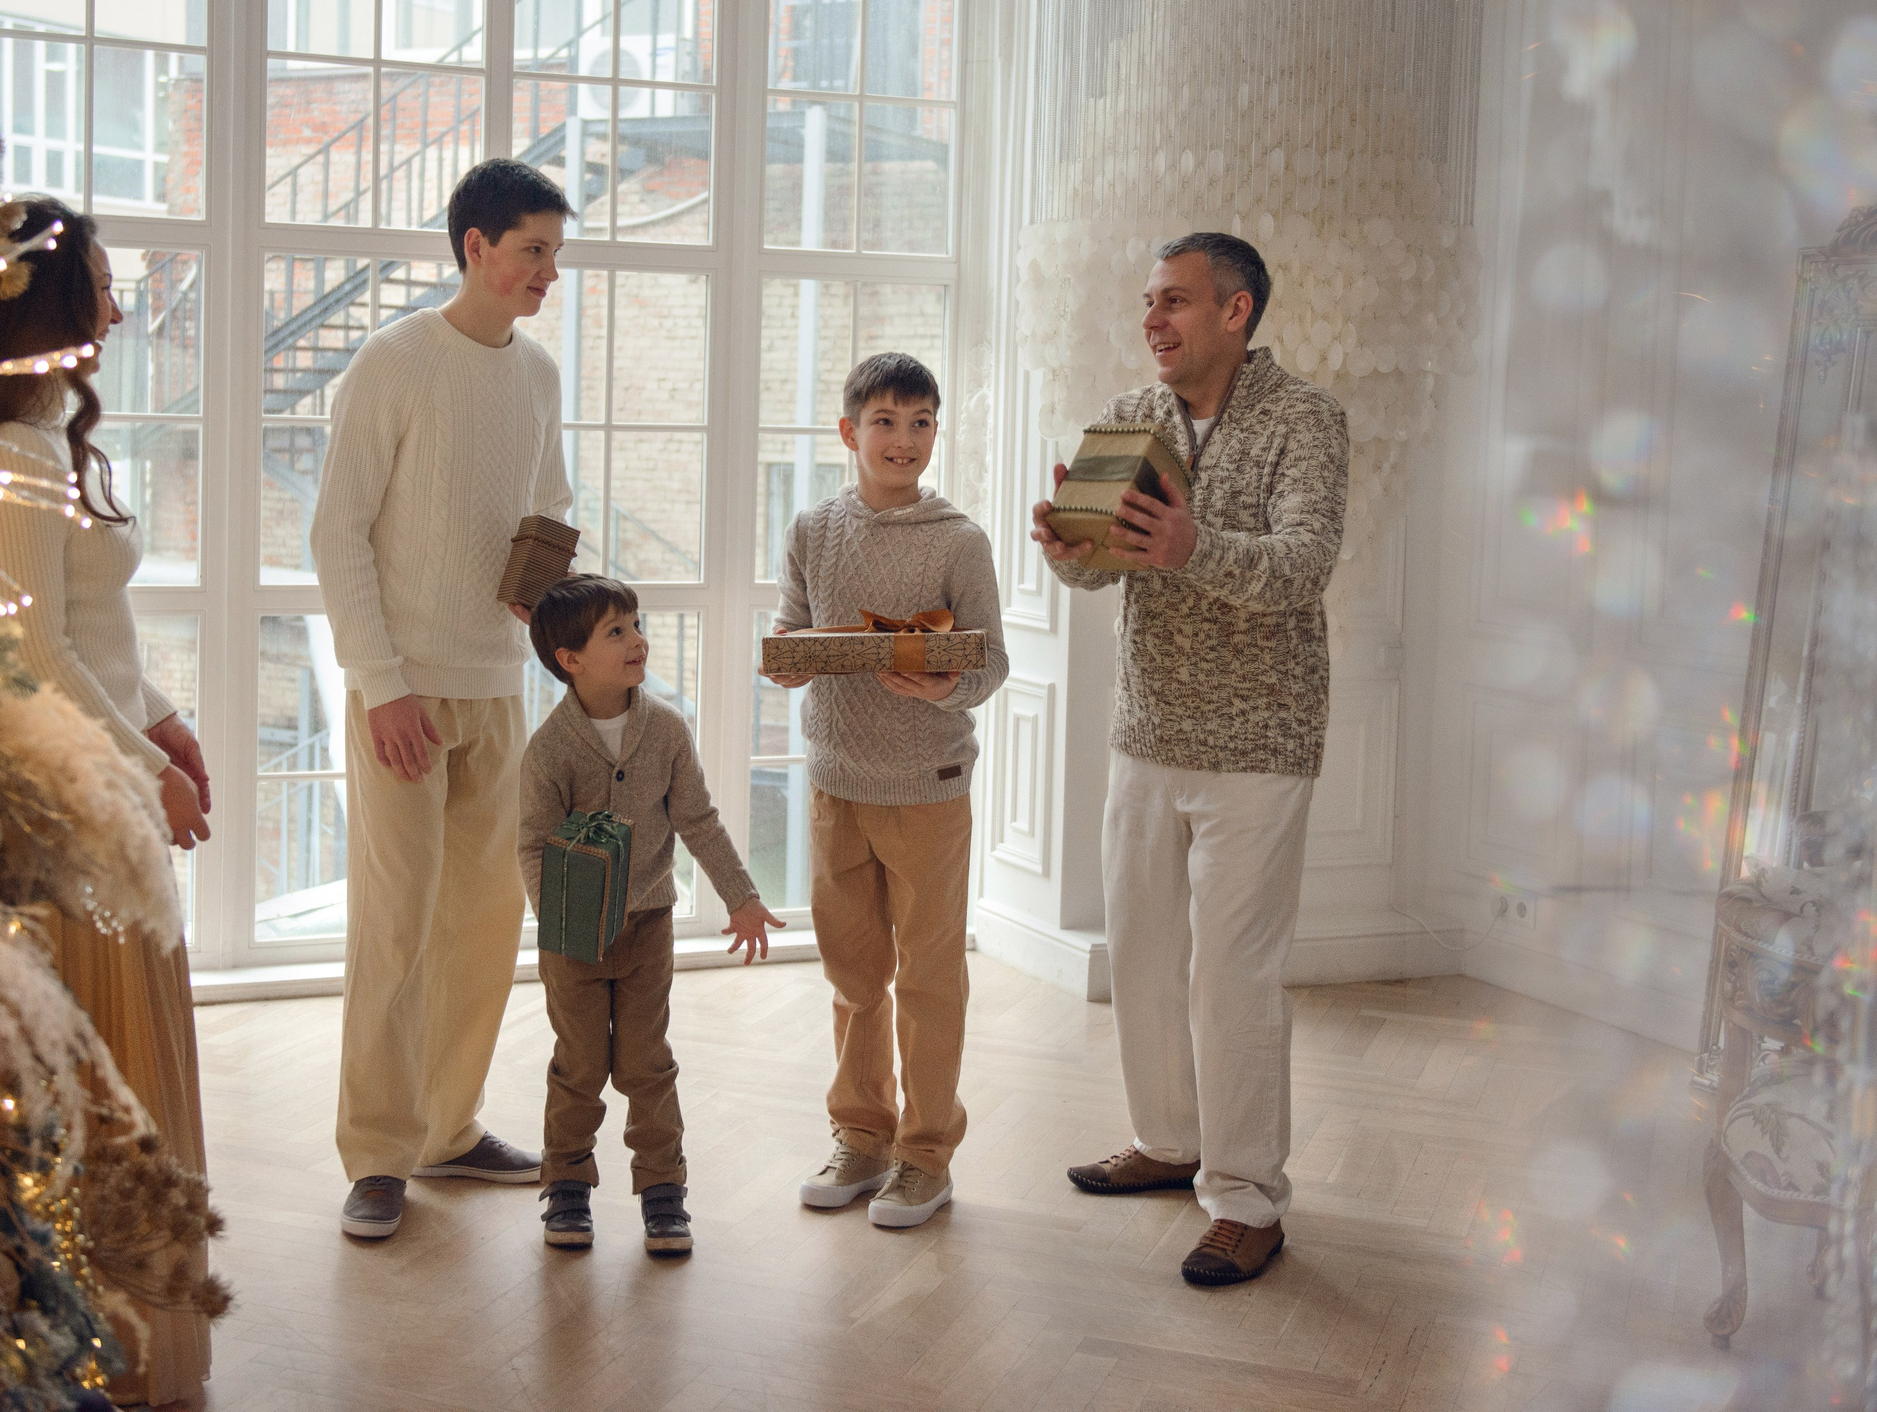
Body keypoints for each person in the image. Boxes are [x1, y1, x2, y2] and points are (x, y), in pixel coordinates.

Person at [0, 195, 215, 1407]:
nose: (119, 304)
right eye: (100, 279)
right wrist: (152, 774)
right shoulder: (23, 451)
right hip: (70, 815)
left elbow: (89, 631)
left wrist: (160, 712)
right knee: (104, 1106)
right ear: (42, 297)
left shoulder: (31, 435)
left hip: (99, 774)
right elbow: (28, 660)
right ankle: (113, 1358)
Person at [1029, 230, 1347, 1288]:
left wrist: (1191, 544)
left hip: (1258, 742)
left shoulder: (1306, 419)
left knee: (1234, 977)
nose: (1153, 321)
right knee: (1146, 955)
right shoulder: (1129, 416)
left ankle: (1248, 1196)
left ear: (1235, 311)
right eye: (1148, 303)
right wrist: (1071, 549)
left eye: (1173, 301)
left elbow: (1302, 565)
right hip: (1146, 726)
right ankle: (1169, 1142)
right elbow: (1099, 576)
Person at [310, 159, 576, 1240]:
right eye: (534, 252)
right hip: (403, 695)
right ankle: (376, 1151)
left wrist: (548, 592)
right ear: (475, 246)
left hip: (496, 688)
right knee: (395, 926)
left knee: (482, 922)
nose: (548, 274)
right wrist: (380, 683)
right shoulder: (392, 360)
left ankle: (447, 1129)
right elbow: (336, 532)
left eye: (555, 254)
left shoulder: (540, 374)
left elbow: (549, 506)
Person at [769, 352, 1009, 1230]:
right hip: (836, 783)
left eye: (919, 422)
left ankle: (926, 1152)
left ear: (935, 433)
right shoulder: (811, 529)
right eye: (884, 421)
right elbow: (793, 627)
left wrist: (945, 685)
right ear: (849, 432)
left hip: (929, 787)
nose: (902, 439)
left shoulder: (959, 540)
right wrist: (790, 658)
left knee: (930, 977)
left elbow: (990, 657)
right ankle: (861, 1135)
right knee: (853, 973)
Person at [519, 575, 785, 1256]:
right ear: (569, 659)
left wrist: (741, 895)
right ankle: (568, 1188)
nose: (638, 640)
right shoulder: (549, 748)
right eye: (617, 631)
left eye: (636, 625)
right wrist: (559, 921)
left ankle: (663, 1192)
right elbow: (532, 843)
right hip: (574, 939)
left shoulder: (665, 728)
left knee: (647, 1061)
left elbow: (696, 818)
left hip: (647, 926)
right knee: (578, 1063)